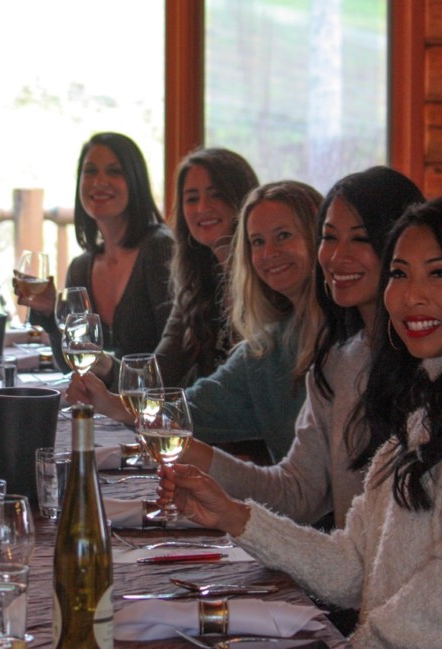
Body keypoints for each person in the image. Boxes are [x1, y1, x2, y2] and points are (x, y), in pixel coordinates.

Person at [164, 197, 442, 647]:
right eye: (399, 273)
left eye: (440, 273)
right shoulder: (429, 406)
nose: (411, 296)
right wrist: (236, 517)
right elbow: (355, 564)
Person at [176, 166, 424, 528]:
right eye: (330, 237)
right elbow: (296, 493)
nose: (338, 256)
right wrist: (186, 454)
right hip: (349, 570)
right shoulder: (339, 361)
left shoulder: (436, 365)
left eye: (359, 238)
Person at [71, 180, 324, 462]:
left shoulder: (349, 339)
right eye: (258, 242)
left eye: (284, 235)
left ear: (320, 237)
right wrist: (111, 404)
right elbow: (193, 408)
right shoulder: (267, 349)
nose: (268, 253)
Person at [92, 147, 259, 389]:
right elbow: (161, 372)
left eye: (216, 195)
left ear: (242, 198)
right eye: (191, 198)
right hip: (201, 418)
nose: (202, 208)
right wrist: (106, 365)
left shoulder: (265, 276)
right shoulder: (196, 281)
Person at [16, 132, 174, 368]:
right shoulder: (81, 268)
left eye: (114, 171)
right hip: (101, 405)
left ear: (136, 181)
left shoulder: (159, 250)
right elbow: (73, 366)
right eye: (90, 171)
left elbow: (175, 363)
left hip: (156, 403)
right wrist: (51, 313)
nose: (100, 182)